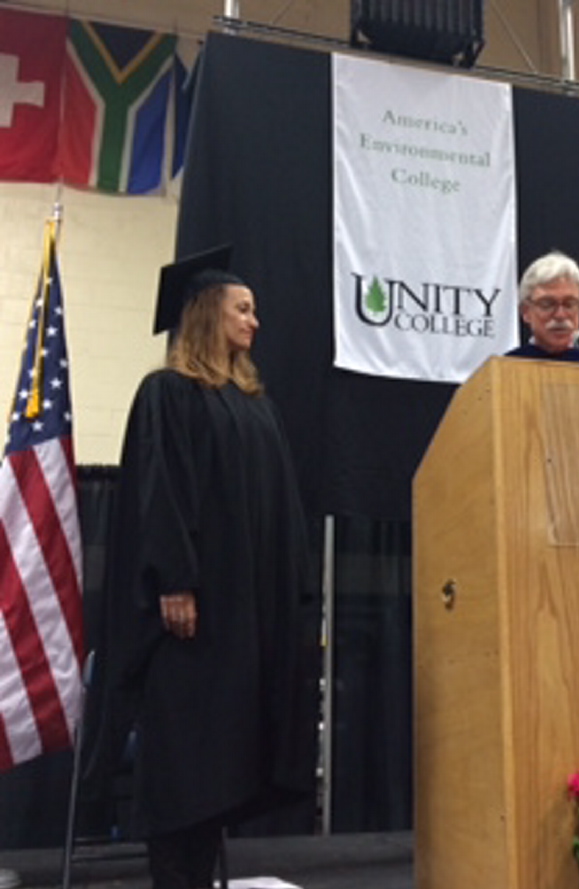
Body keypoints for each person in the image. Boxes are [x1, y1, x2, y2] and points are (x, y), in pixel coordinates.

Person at [96, 246, 318, 889]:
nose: (255, 322)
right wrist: (175, 579)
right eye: (242, 309)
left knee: (225, 770)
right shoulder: (168, 393)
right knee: (187, 774)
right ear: (205, 314)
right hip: (194, 623)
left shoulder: (255, 404)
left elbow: (280, 510)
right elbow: (161, 492)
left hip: (246, 623)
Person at [506, 250, 579, 363]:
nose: (560, 315)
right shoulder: (505, 369)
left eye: (569, 304)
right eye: (547, 304)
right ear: (526, 312)